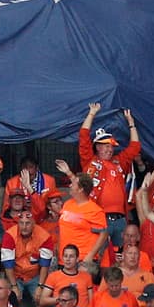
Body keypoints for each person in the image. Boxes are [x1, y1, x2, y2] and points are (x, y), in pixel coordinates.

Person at [65, 105, 141, 249]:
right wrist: (92, 114)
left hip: (120, 219)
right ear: (97, 147)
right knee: (99, 254)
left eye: (111, 146)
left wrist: (131, 123)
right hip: (99, 217)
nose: (110, 149)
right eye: (106, 146)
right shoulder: (90, 161)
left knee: (120, 256)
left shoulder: (119, 162)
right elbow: (83, 136)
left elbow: (135, 147)